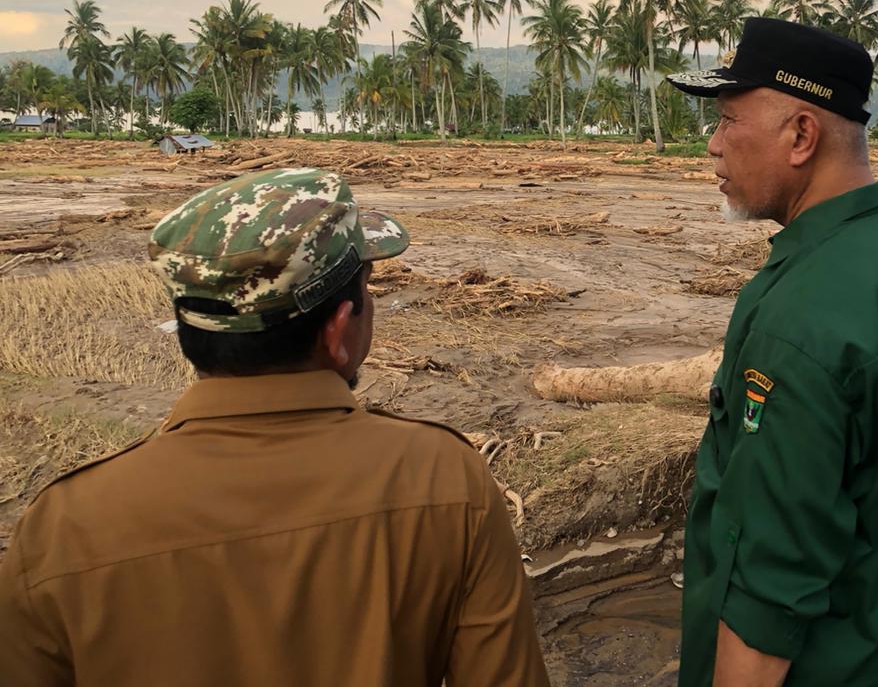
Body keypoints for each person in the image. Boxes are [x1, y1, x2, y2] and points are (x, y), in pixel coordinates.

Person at [0, 169, 548, 687]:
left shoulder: (62, 526)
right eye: (368, 290)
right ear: (338, 331)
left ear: (192, 329)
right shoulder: (447, 481)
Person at [667, 17, 878, 686]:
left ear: (800, 135)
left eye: (729, 120)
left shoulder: (800, 321)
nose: (712, 146)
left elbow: (769, 586)